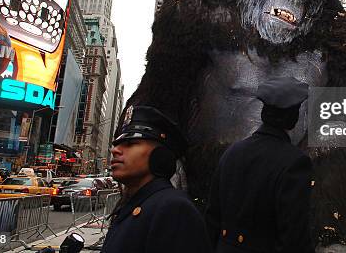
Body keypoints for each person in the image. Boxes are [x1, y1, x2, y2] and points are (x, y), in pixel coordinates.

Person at [206, 76, 315, 253]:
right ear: (293, 118)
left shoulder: (232, 152)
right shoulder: (295, 162)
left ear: (264, 112)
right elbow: (294, 238)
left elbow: (212, 219)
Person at [101, 105, 210, 253]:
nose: (115, 150)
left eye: (131, 143)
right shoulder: (134, 204)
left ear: (160, 156)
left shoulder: (174, 209)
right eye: (116, 144)